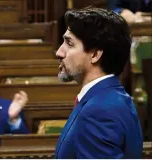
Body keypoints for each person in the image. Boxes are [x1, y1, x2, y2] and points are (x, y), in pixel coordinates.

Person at [55, 8, 143, 158]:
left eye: (69, 43)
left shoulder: (98, 112)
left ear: (95, 54)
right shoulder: (112, 99)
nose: (59, 52)